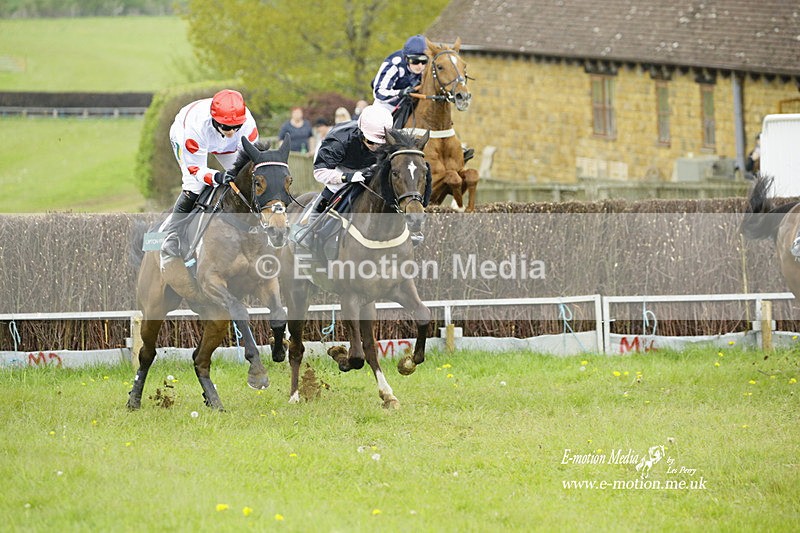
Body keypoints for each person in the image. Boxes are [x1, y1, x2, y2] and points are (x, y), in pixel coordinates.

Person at [160, 89, 259, 262]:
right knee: (194, 186)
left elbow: (253, 161)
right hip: (190, 137)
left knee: (248, 180)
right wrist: (218, 177)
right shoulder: (194, 129)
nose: (232, 132)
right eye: (227, 127)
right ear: (215, 120)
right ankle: (172, 235)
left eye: (237, 127)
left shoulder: (247, 124)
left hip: (226, 145)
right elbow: (196, 170)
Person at [312, 104, 393, 213]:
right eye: (371, 141)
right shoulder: (338, 141)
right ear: (361, 132)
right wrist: (347, 177)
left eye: (380, 144)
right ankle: (310, 223)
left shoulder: (390, 139)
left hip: (369, 172)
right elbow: (319, 172)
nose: (375, 147)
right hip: (340, 174)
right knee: (319, 208)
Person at [371, 34, 428, 119]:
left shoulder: (429, 66)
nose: (420, 66)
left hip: (411, 105)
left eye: (424, 61)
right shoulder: (394, 64)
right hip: (387, 105)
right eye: (415, 61)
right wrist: (400, 93)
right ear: (406, 58)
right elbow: (379, 92)